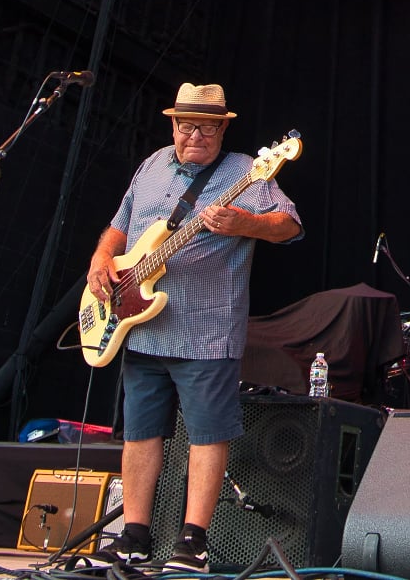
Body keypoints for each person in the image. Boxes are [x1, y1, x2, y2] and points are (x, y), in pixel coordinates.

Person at [84, 83, 302, 574]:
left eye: (207, 125)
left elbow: (288, 225)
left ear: (223, 128)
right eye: (187, 125)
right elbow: (119, 227)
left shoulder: (249, 171)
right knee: (140, 432)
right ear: (174, 126)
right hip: (140, 327)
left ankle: (193, 544)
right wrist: (102, 259)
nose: (195, 134)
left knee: (206, 434)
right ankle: (134, 535)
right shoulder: (153, 165)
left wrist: (245, 223)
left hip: (206, 329)